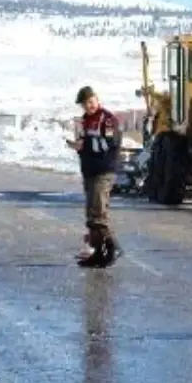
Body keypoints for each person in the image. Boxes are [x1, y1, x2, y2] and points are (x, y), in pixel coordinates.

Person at [68, 86, 124, 267]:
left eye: (91, 102)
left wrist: (84, 146)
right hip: (90, 171)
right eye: (85, 104)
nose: (89, 106)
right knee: (91, 214)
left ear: (97, 100)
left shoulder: (107, 120)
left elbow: (110, 143)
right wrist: (79, 148)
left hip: (104, 170)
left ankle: (113, 247)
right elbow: (85, 144)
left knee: (99, 211)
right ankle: (99, 252)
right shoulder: (84, 121)